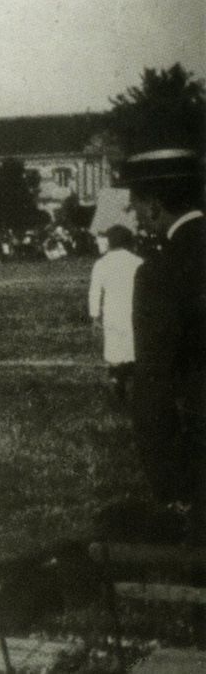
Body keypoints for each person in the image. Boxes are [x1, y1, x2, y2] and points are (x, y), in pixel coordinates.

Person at [121, 148, 205, 540]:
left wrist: (169, 485)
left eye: (135, 204)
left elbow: (153, 383)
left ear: (154, 206)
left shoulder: (159, 273)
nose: (133, 215)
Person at [87, 225, 143, 405]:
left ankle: (117, 383)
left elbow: (94, 291)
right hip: (134, 312)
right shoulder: (138, 262)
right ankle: (133, 386)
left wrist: (95, 315)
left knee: (114, 350)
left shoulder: (102, 263)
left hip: (112, 313)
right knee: (133, 348)